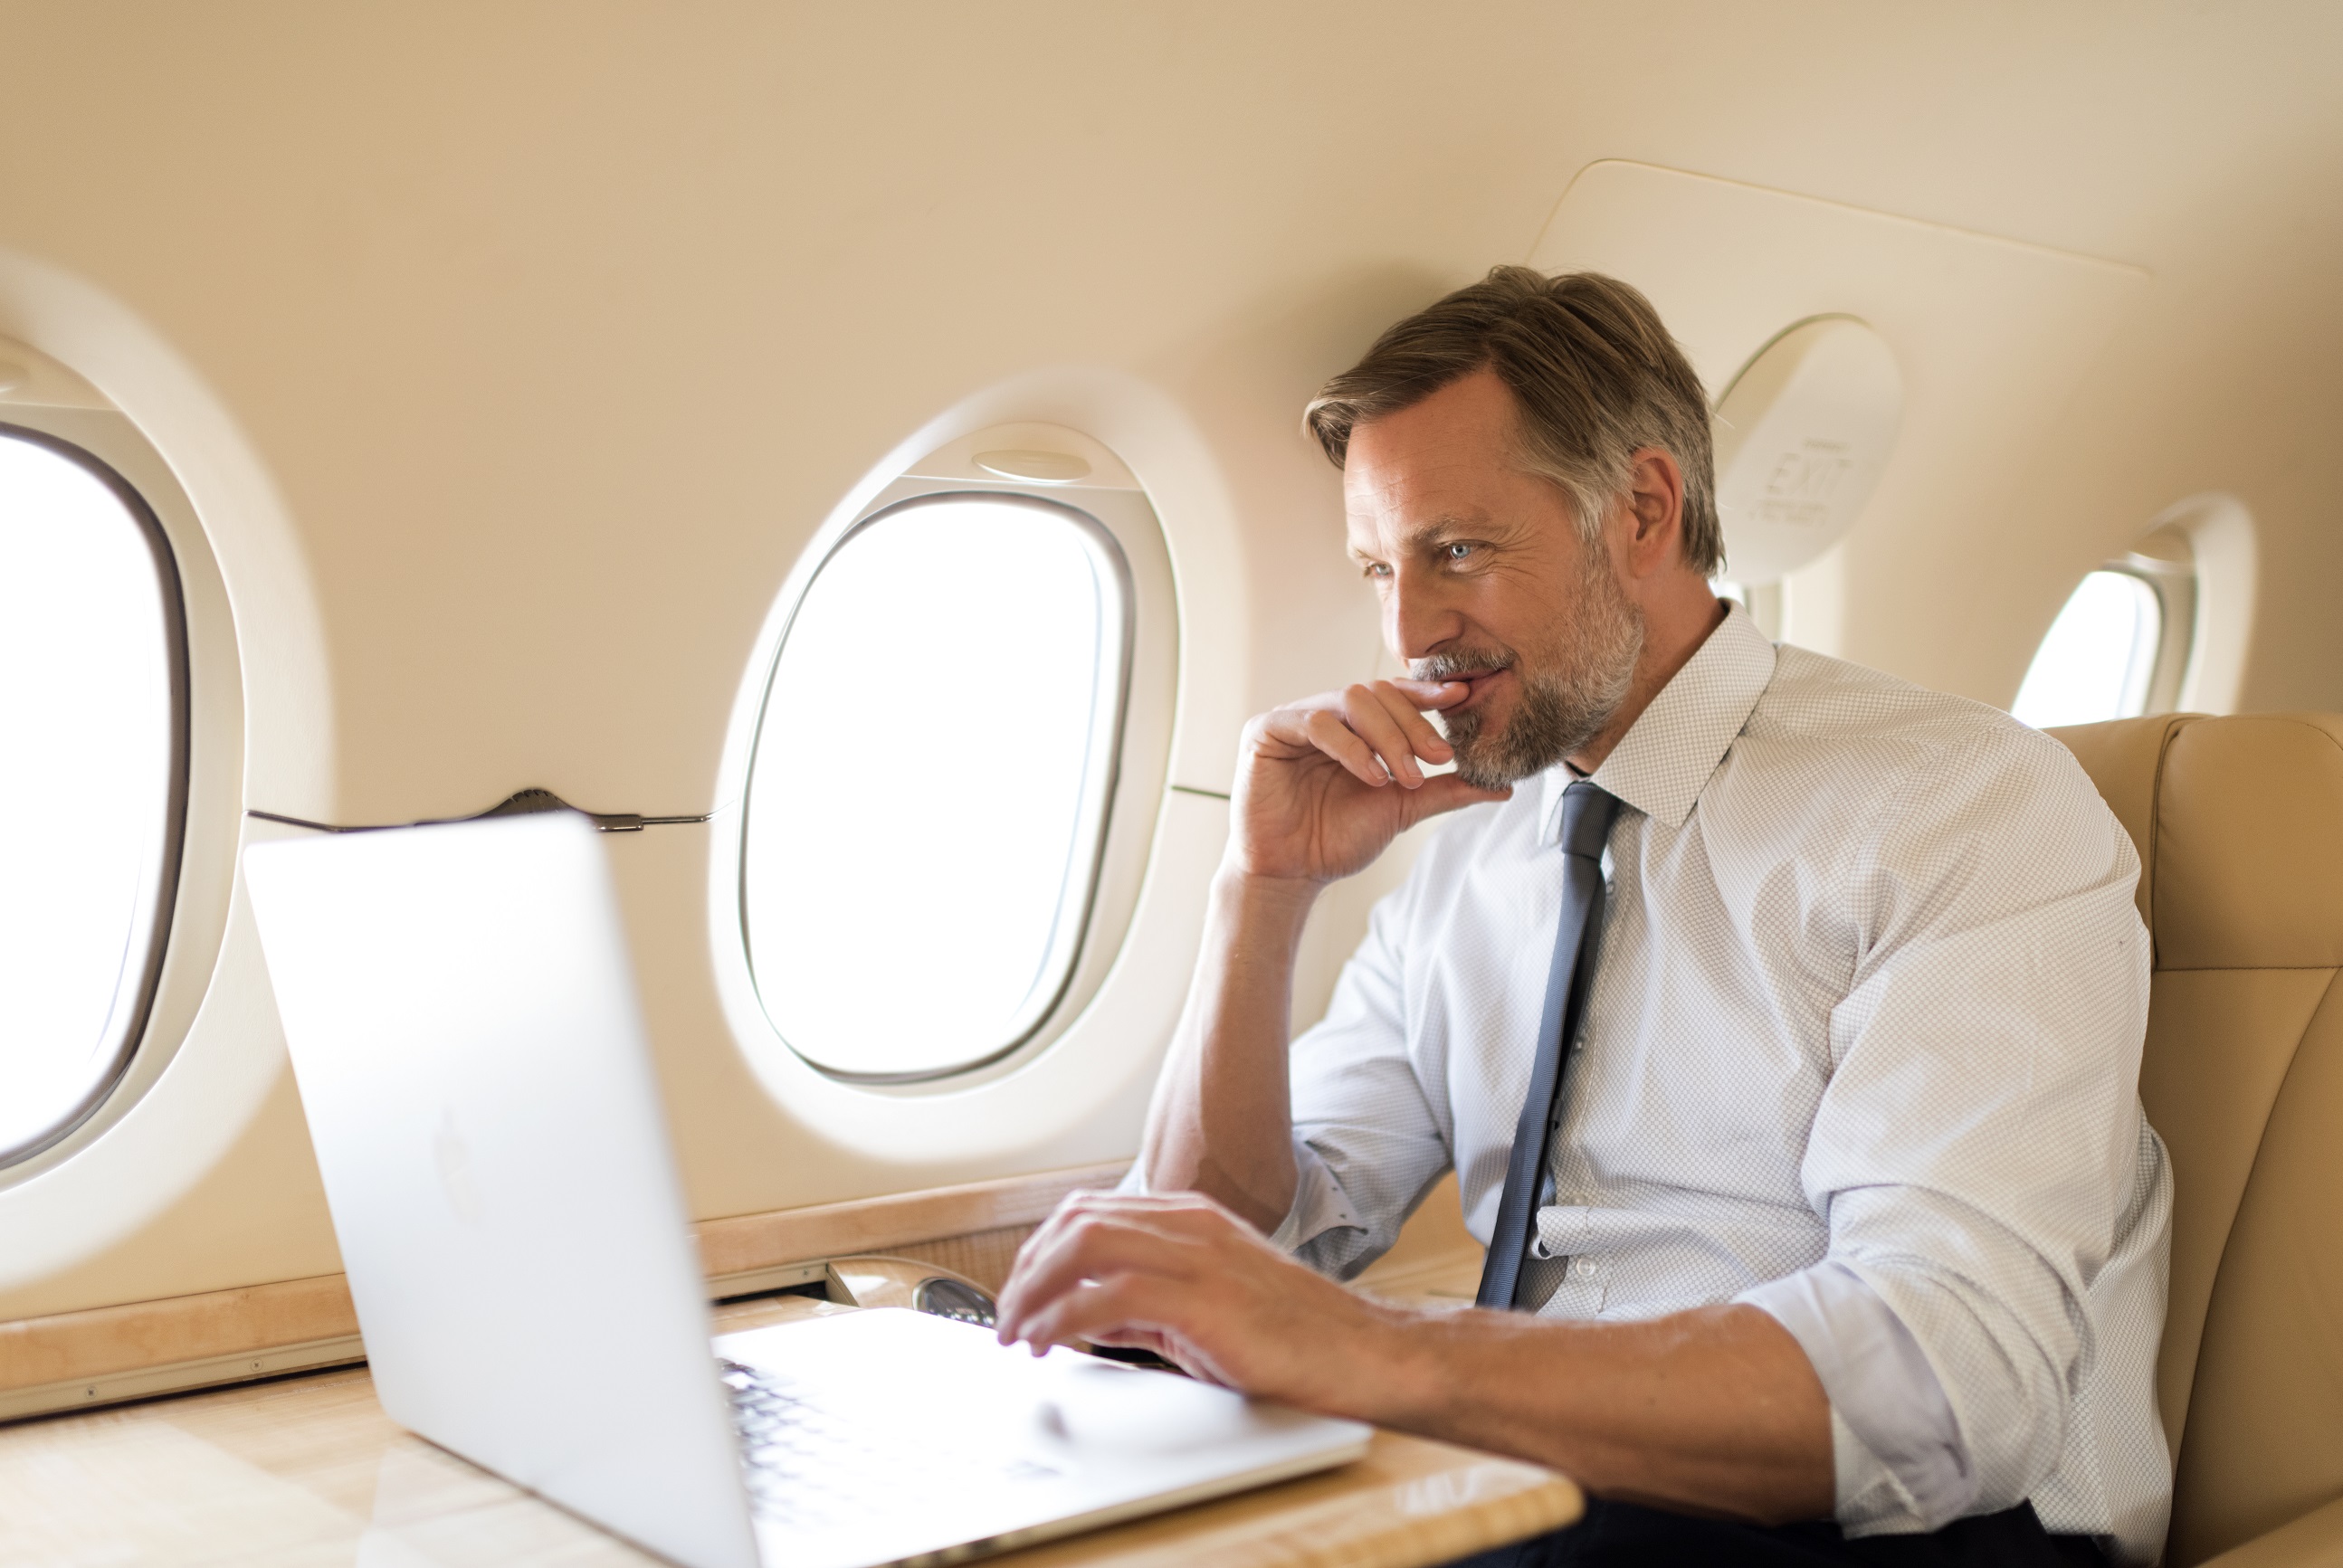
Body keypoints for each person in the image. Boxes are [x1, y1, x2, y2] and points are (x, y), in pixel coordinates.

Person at [992, 268, 2171, 1566]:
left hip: (1899, 1526)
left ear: (1643, 511)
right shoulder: (1463, 857)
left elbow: (1948, 1381)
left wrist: (1376, 1351)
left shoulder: (1955, 803)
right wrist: (1259, 891)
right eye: (1378, 566)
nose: (1408, 630)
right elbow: (1233, 1250)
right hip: (1547, 1494)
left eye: (1457, 551)